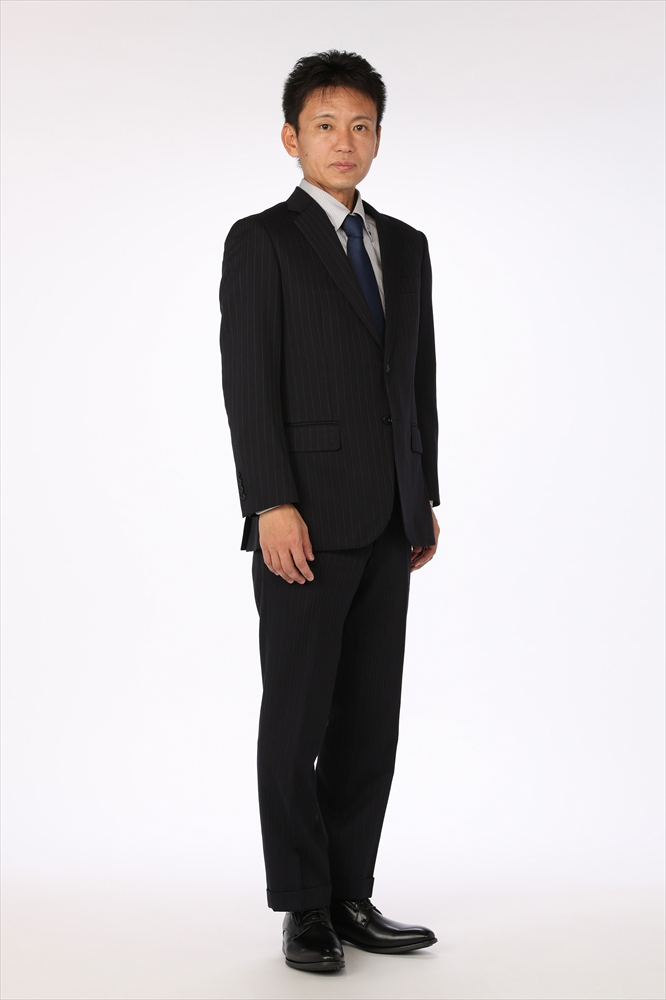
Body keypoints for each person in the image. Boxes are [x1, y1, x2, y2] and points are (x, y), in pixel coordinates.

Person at [219, 50, 440, 973]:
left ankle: (351, 891)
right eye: (324, 126)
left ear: (378, 137)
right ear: (291, 137)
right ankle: (304, 904)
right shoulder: (262, 241)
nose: (343, 142)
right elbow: (248, 384)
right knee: (298, 717)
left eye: (360, 126)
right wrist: (270, 501)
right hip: (302, 520)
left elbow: (416, 380)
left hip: (389, 517)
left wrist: (423, 495)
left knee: (369, 720)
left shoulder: (408, 245)